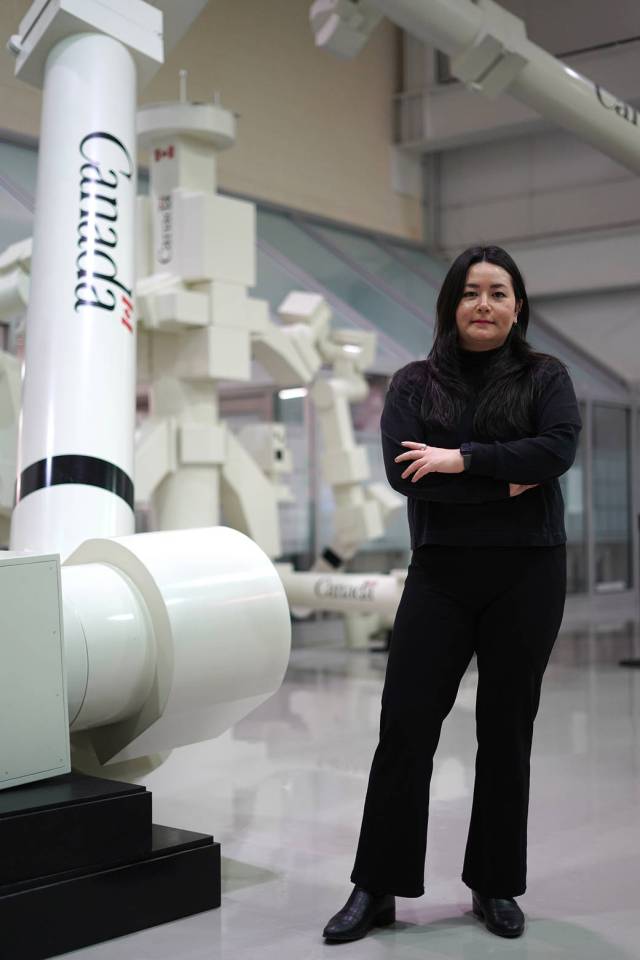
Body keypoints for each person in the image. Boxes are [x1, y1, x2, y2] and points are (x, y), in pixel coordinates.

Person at [322, 245, 582, 943]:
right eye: (471, 292)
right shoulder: (414, 383)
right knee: (405, 726)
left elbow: (556, 450)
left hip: (528, 573)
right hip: (440, 574)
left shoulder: (546, 376)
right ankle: (376, 887)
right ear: (451, 304)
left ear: (517, 306)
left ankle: (494, 885)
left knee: (506, 731)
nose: (484, 304)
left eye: (498, 292)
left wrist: (460, 460)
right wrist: (506, 480)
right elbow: (406, 474)